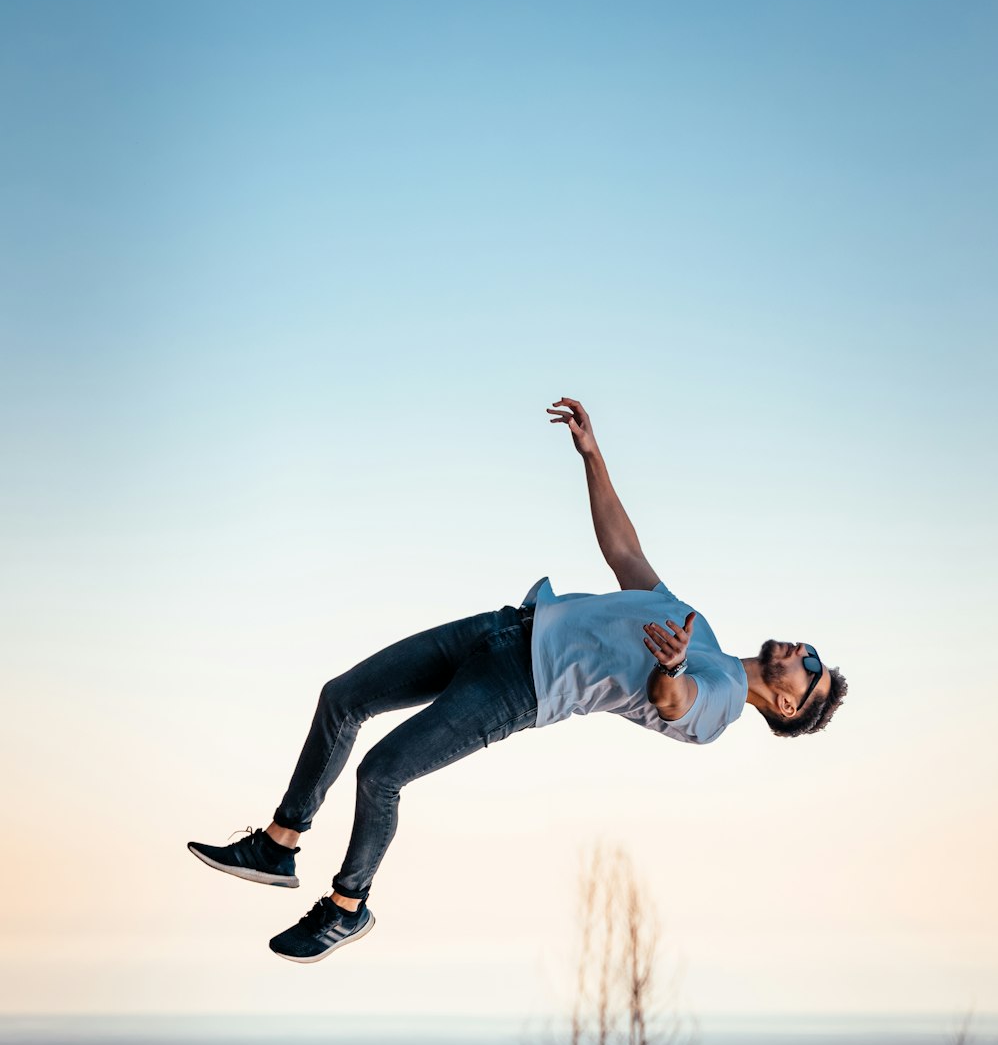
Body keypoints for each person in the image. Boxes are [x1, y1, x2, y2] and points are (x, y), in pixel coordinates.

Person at [189, 397, 847, 963]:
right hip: (500, 630)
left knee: (381, 774)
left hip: (515, 689)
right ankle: (279, 846)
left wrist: (672, 669)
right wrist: (592, 454)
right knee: (343, 698)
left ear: (787, 705)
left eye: (809, 670)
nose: (804, 653)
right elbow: (624, 551)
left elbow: (673, 703)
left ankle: (347, 906)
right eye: (813, 652)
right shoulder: (696, 625)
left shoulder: (724, 703)